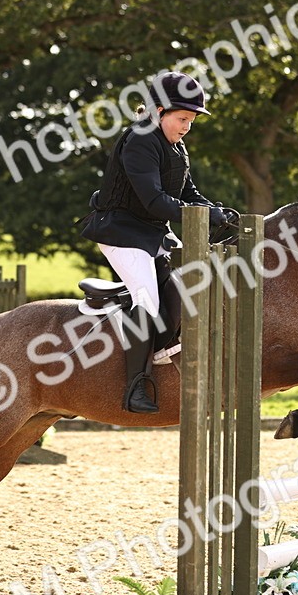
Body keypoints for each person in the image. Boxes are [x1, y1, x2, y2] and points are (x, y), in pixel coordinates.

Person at [80, 71, 231, 414]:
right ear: (159, 110)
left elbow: (188, 192)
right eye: (182, 119)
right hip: (121, 232)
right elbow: (154, 201)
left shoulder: (175, 145)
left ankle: (164, 348)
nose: (187, 127)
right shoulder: (140, 140)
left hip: (151, 233)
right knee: (147, 298)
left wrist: (217, 211)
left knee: (193, 279)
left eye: (191, 121)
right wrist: (204, 215)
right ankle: (136, 386)